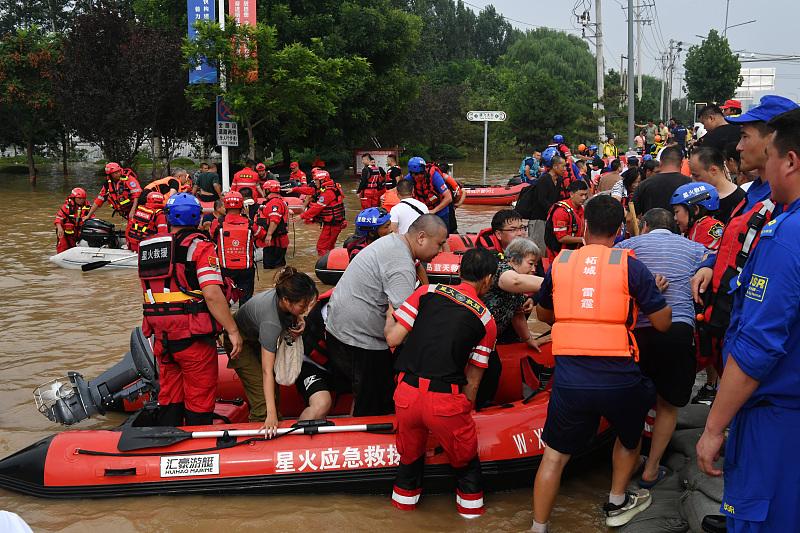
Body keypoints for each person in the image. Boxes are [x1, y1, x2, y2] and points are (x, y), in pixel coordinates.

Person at [531, 195, 672, 531]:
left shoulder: (561, 263)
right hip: (619, 377)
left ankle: (538, 526)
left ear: (583, 226)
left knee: (554, 456)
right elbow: (663, 323)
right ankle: (617, 501)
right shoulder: (630, 265)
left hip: (570, 379)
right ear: (620, 229)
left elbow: (543, 314)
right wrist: (654, 293)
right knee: (628, 436)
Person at [696, 106, 800, 532]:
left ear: (789, 161)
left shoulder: (786, 237)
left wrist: (714, 428)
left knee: (761, 518)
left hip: (774, 415)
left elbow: (757, 347)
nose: (741, 149)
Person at [691, 94, 798, 405]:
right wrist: (710, 263)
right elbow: (736, 244)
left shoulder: (784, 205)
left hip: (759, 346)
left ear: (773, 141)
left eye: (744, 136)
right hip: (730, 324)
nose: (738, 147)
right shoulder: (753, 194)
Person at [385, 247, 498, 519]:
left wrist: (391, 312)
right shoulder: (486, 319)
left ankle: (401, 516)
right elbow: (473, 380)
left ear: (459, 271)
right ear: (488, 280)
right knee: (467, 466)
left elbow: (393, 339)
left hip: (406, 394)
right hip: (445, 401)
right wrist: (463, 413)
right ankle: (472, 519)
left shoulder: (426, 292)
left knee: (409, 463)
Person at [615, 208, 705, 488]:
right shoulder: (695, 248)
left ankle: (628, 464)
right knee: (667, 406)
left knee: (632, 404)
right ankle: (651, 469)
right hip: (678, 330)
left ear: (643, 226)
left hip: (637, 333)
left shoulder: (626, 247)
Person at [325, 214, 448, 417]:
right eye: (439, 244)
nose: (441, 250)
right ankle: (365, 436)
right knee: (373, 402)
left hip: (341, 328)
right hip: (358, 340)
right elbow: (406, 317)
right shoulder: (400, 264)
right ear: (421, 237)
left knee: (375, 387)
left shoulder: (395, 242)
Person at [138, 192, 242, 427]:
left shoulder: (149, 249)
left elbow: (148, 293)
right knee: (199, 399)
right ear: (196, 217)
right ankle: (197, 449)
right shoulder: (200, 247)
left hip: (162, 338)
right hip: (193, 338)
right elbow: (213, 295)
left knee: (170, 396)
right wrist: (232, 330)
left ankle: (166, 445)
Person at [225, 268, 318, 431]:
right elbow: (267, 371)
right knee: (263, 399)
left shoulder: (283, 296)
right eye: (303, 306)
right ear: (287, 300)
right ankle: (259, 431)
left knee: (273, 391)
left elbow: (292, 313)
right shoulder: (271, 323)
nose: (306, 310)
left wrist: (299, 318)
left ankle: (274, 422)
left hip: (256, 336)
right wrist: (271, 415)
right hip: (240, 342)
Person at [478, 237, 544, 407]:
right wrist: (555, 281)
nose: (534, 269)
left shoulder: (517, 291)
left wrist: (529, 339)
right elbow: (514, 281)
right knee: (487, 373)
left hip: (489, 340)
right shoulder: (502, 270)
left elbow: (517, 315)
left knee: (493, 371)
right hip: (476, 337)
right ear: (514, 259)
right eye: (530, 264)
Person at [210, 191, 267, 305]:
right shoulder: (250, 224)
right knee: (246, 302)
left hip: (225, 269)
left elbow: (212, 236)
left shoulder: (217, 223)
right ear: (241, 205)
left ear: (225, 205)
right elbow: (262, 234)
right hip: (246, 269)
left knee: (225, 301)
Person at [689, 146, 746, 224]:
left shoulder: (741, 200)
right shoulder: (696, 197)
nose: (693, 180)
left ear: (713, 170)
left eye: (696, 176)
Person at [630, 146, 690, 215]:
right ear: (682, 163)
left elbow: (630, 217)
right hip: (681, 226)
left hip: (651, 225)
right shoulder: (690, 184)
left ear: (660, 163)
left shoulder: (644, 185)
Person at [300, 170, 347, 257]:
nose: (314, 182)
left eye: (316, 180)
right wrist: (294, 189)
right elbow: (311, 191)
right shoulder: (329, 188)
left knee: (321, 247)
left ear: (322, 181)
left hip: (332, 224)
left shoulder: (328, 192)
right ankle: (330, 260)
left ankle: (325, 264)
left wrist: (301, 216)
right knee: (329, 246)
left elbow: (317, 208)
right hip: (335, 222)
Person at [525, 153, 565, 253]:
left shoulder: (559, 180)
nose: (564, 169)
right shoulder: (544, 179)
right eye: (563, 166)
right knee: (537, 248)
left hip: (550, 218)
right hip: (539, 218)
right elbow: (541, 200)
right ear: (555, 166)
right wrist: (553, 211)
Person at [671, 183, 725, 250]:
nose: (675, 218)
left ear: (695, 209)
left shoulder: (708, 226)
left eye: (677, 211)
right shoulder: (692, 229)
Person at [544, 180, 588, 263]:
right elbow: (561, 238)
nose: (584, 198)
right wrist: (583, 240)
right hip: (560, 254)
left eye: (585, 195)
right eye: (581, 195)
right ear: (571, 194)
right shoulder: (561, 211)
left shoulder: (581, 208)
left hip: (574, 252)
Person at [404, 156, 452, 228]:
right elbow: (399, 190)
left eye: (421, 173)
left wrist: (434, 210)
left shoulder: (435, 176)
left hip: (440, 211)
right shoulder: (409, 178)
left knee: (442, 235)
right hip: (423, 212)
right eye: (416, 174)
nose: (419, 176)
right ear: (411, 173)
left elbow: (448, 198)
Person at [255, 179, 291, 269]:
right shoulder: (278, 200)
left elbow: (274, 219)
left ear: (267, 190)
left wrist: (269, 235)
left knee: (270, 267)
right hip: (278, 240)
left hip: (275, 241)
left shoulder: (274, 202)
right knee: (278, 265)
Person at [54, 187, 91, 253]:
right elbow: (58, 218)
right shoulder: (67, 207)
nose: (82, 200)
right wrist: (59, 228)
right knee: (63, 247)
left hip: (79, 233)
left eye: (83, 199)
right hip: (66, 234)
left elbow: (92, 220)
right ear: (74, 198)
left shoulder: (88, 207)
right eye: (79, 198)